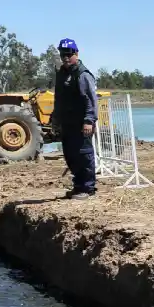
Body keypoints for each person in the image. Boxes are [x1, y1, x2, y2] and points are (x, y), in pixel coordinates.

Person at [50, 38, 98, 199]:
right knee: (70, 155)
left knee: (83, 154)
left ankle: (88, 188)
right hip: (67, 123)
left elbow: (90, 100)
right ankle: (78, 186)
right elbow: (58, 99)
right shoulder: (62, 74)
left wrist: (89, 120)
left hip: (81, 123)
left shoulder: (82, 74)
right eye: (63, 54)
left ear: (76, 54)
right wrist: (55, 119)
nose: (65, 57)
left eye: (68, 54)